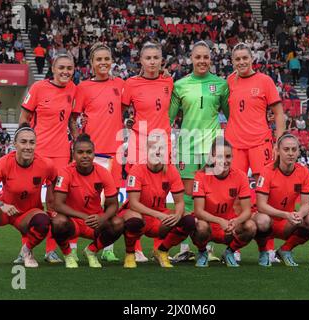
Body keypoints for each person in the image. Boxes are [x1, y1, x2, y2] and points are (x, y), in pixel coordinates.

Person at [169, 41, 229, 262]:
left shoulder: (221, 85)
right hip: (186, 147)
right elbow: (168, 118)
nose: (202, 61)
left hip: (212, 150)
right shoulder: (180, 85)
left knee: (209, 199)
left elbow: (232, 117)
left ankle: (208, 248)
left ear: (211, 59)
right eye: (198, 57)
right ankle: (185, 247)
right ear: (191, 59)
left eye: (206, 57)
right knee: (187, 199)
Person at [225, 42, 285, 262]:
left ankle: (266, 248)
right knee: (236, 197)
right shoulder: (229, 81)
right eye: (237, 59)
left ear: (252, 59)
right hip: (235, 145)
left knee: (265, 195)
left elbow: (278, 113)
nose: (241, 62)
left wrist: (279, 141)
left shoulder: (265, 81)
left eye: (244, 58)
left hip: (260, 143)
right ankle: (236, 247)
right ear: (232, 62)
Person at [17, 53, 78, 263]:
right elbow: (24, 118)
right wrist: (23, 147)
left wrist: (77, 143)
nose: (65, 72)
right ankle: (26, 249)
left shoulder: (73, 89)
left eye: (69, 68)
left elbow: (71, 120)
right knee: (31, 203)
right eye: (61, 67)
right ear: (53, 68)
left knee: (54, 202)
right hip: (38, 152)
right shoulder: (38, 88)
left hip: (61, 154)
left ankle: (50, 250)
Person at [0, 124, 56, 268]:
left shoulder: (46, 165)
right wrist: (2, 205)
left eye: (32, 142)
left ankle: (26, 251)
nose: (28, 146)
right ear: (15, 144)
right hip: (5, 210)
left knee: (43, 221)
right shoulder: (4, 162)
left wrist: (51, 207)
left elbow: (54, 182)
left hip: (28, 214)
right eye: (23, 142)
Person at [121, 41, 174, 261]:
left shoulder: (169, 81)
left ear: (161, 60)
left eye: (156, 58)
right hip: (139, 141)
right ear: (140, 60)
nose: (152, 62)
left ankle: (159, 247)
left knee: (160, 192)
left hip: (162, 142)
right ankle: (137, 248)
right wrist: (128, 123)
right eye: (148, 58)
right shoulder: (131, 84)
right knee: (137, 192)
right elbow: (122, 111)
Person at [74, 42, 124, 262]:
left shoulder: (121, 84)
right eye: (99, 60)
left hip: (115, 153)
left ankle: (107, 248)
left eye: (106, 59)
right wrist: (78, 141)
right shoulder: (83, 87)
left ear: (111, 61)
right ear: (92, 63)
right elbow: (74, 119)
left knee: (111, 203)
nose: (103, 63)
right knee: (81, 201)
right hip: (91, 155)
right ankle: (72, 246)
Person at [121, 133, 196, 268]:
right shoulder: (137, 170)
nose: (157, 151)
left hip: (159, 217)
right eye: (153, 148)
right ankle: (130, 253)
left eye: (160, 148)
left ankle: (162, 250)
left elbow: (179, 202)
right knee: (134, 220)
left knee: (189, 220)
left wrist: (177, 215)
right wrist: (158, 215)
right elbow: (133, 203)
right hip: (139, 215)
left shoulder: (171, 171)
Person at [51, 134, 124, 268]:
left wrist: (102, 218)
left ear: (94, 154)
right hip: (73, 222)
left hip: (95, 222)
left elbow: (114, 204)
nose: (85, 156)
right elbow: (57, 204)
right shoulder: (65, 172)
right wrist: (83, 216)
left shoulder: (103, 172)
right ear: (73, 155)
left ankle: (91, 251)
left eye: (89, 152)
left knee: (118, 223)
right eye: (80, 152)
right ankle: (68, 254)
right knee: (58, 222)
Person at [254, 134, 309, 266]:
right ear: (277, 151)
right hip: (268, 219)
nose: (290, 153)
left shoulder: (304, 172)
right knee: (262, 220)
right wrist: (285, 215)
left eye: (294, 149)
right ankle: (263, 251)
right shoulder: (267, 171)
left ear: (298, 151)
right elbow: (261, 206)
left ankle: (285, 249)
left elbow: (306, 204)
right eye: (286, 149)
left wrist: (299, 215)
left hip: (287, 222)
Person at [192, 137, 256, 267]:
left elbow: (247, 211)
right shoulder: (201, 176)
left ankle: (229, 252)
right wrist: (220, 221)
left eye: (228, 157)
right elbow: (198, 211)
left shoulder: (240, 176)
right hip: (209, 226)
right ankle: (203, 252)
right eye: (220, 156)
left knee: (251, 226)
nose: (225, 161)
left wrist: (235, 221)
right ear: (213, 157)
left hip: (229, 226)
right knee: (200, 227)